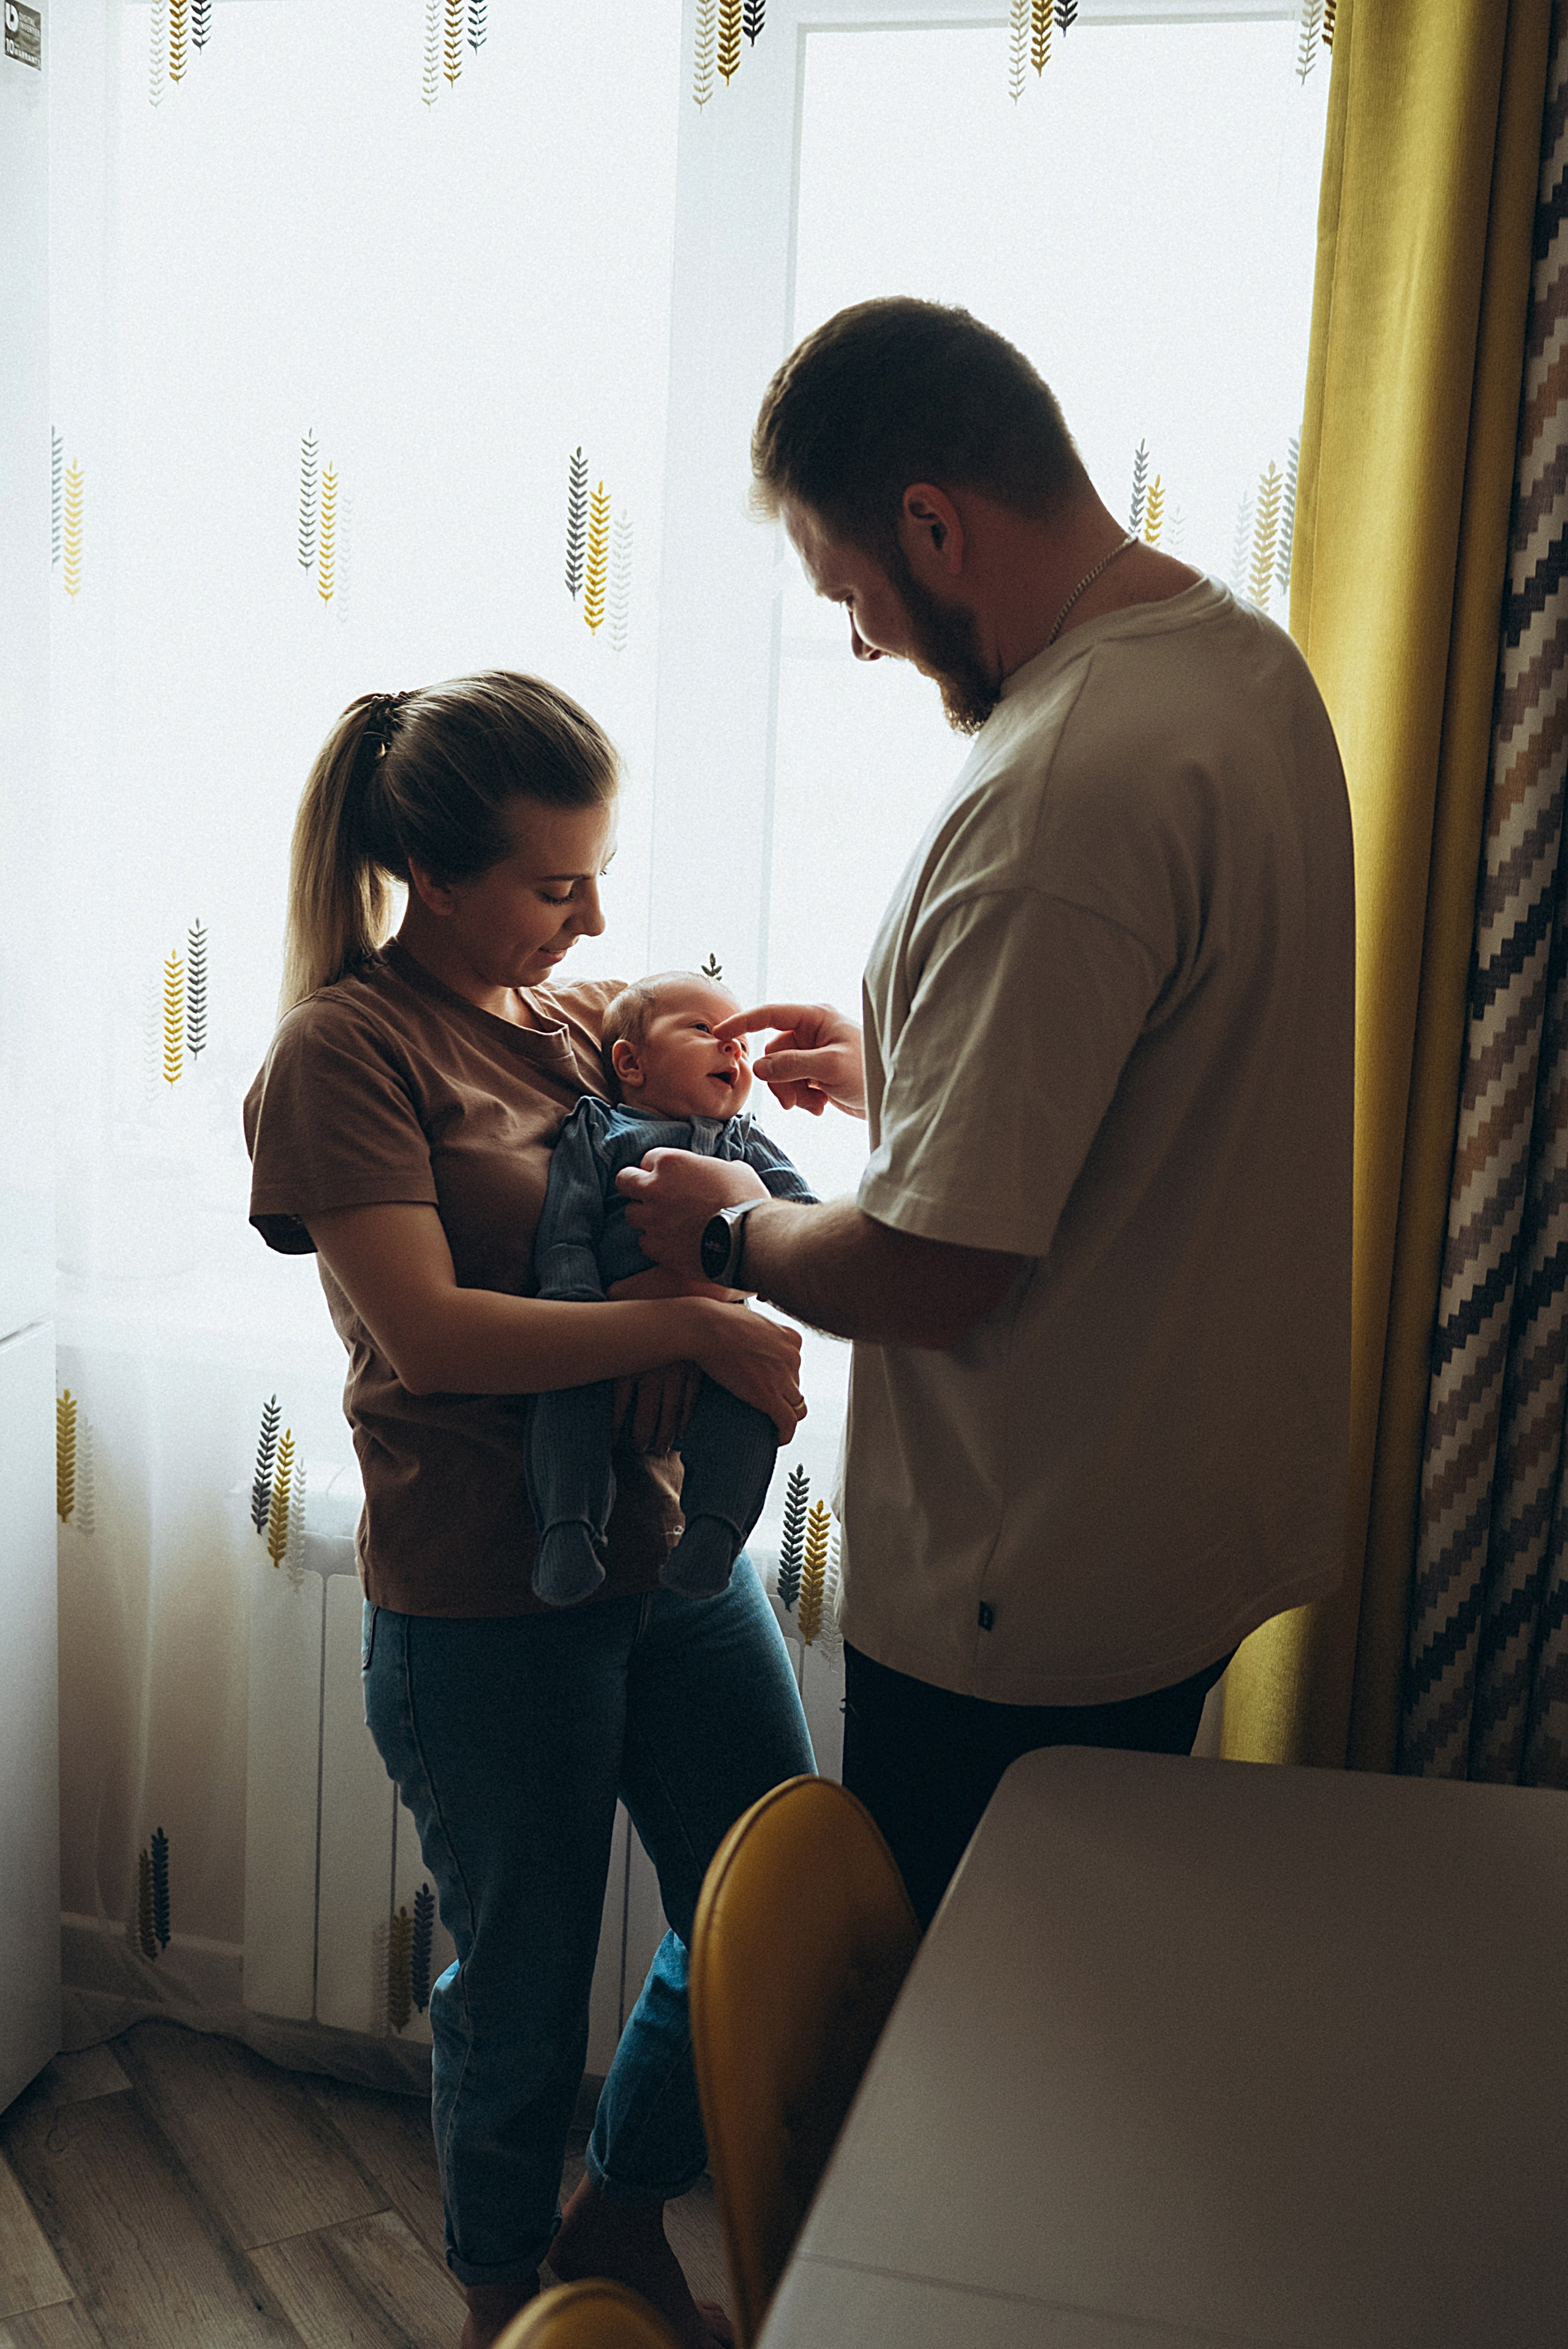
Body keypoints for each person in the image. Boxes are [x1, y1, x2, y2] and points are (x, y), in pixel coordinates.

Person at [618, 297, 1355, 1928]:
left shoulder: (1061, 783)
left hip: (1030, 1574)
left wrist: (725, 1227)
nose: (867, 638)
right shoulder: (1234, 666)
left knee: (960, 2046)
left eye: (854, 592)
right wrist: (904, 1060)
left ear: (934, 524)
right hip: (1175, 1510)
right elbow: (1169, 1053)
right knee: (1076, 2003)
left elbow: (931, 1273)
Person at [243, 671, 814, 2349]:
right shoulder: (343, 1053)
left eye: (598, 874)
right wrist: (689, 1323)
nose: (595, 913)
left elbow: (693, 1168)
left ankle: (617, 2213)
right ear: (436, 874)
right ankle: (507, 2297)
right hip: (489, 1596)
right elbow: (427, 1329)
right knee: (519, 1981)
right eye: (557, 884)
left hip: (671, 1565)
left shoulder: (578, 1025)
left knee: (762, 1903)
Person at [528, 968, 816, 1607]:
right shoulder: (601, 1129)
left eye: (743, 1041)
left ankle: (716, 1532)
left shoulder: (748, 1144)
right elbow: (566, 1228)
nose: (735, 1048)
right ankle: (568, 1528)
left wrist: (750, 1233)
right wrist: (576, 1308)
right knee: (564, 1397)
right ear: (631, 1062)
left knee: (750, 1401)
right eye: (706, 1031)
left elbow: (805, 1225)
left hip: (714, 1351)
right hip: (603, 1334)